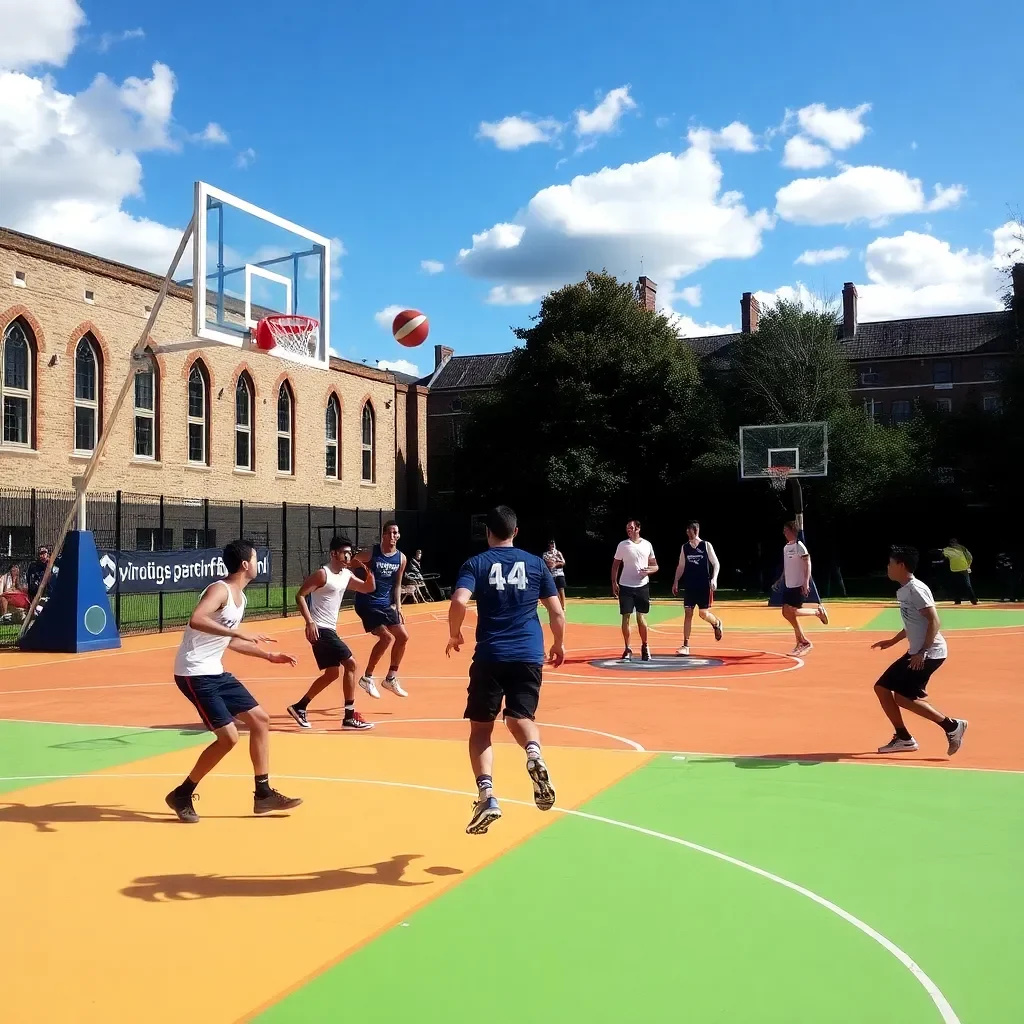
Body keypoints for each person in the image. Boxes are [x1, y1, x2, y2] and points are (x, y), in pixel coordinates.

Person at [446, 505, 565, 835]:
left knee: (481, 731)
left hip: (491, 656)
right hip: (528, 653)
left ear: (487, 532)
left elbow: (458, 601)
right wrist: (558, 643)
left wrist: (455, 633)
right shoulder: (536, 563)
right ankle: (534, 753)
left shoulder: (476, 564)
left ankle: (486, 795)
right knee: (520, 718)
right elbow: (556, 612)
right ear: (516, 531)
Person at [165, 539, 302, 823]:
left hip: (215, 670)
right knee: (227, 738)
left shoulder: (241, 598)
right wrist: (240, 633)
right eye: (254, 558)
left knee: (260, 720)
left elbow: (228, 640)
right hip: (194, 673)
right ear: (244, 564)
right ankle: (182, 793)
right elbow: (197, 619)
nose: (257, 563)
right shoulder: (220, 589)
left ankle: (263, 794)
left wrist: (267, 655)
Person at [870, 546, 967, 756]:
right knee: (884, 689)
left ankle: (950, 727)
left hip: (929, 653)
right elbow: (914, 622)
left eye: (891, 563)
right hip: (919, 651)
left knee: (900, 697)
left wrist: (922, 651)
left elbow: (934, 620)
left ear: (901, 565)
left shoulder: (915, 589)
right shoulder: (904, 590)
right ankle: (906, 737)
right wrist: (893, 641)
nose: (888, 567)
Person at [286, 535, 378, 731]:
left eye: (349, 553)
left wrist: (370, 576)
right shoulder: (323, 574)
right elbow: (300, 595)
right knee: (351, 664)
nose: (348, 556)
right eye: (345, 552)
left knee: (332, 673)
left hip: (328, 629)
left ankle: (299, 707)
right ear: (333, 554)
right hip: (320, 628)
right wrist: (309, 622)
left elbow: (367, 588)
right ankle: (350, 716)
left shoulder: (346, 575)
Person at [354, 521, 410, 699]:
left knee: (403, 636)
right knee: (386, 637)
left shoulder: (401, 558)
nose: (394, 536)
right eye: (391, 533)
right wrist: (360, 577)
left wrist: (399, 607)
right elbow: (349, 562)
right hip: (367, 602)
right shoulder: (372, 553)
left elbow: (398, 584)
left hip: (385, 604)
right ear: (384, 535)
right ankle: (367, 678)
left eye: (396, 533)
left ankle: (390, 678)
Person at [774, 521, 828, 655]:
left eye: (786, 530)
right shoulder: (786, 548)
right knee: (787, 613)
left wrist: (806, 582)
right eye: (784, 530)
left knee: (791, 611)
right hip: (789, 585)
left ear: (793, 531)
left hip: (798, 585)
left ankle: (817, 613)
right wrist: (780, 580)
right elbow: (787, 567)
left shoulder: (800, 546)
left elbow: (807, 563)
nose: (784, 533)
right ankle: (802, 641)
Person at [671, 521, 723, 655]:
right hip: (690, 585)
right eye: (687, 531)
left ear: (696, 530)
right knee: (688, 613)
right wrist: (676, 581)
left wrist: (714, 578)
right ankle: (686, 645)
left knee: (703, 614)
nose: (688, 534)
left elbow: (716, 563)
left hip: (703, 585)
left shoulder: (706, 545)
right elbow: (681, 566)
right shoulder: (685, 548)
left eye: (690, 531)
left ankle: (716, 623)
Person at [611, 520, 658, 662]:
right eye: (627, 528)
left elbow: (655, 566)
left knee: (641, 617)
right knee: (626, 616)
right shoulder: (623, 545)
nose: (629, 530)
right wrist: (614, 582)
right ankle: (627, 648)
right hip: (625, 585)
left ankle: (645, 646)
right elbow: (615, 565)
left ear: (638, 528)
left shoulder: (647, 544)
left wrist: (650, 570)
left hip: (642, 586)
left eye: (631, 527)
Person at [942, 538, 977, 606]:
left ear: (957, 543)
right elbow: (943, 554)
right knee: (955, 585)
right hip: (954, 569)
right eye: (952, 543)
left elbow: (970, 557)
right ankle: (957, 600)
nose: (953, 544)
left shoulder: (963, 549)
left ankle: (973, 600)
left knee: (967, 585)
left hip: (964, 569)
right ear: (950, 544)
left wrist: (968, 565)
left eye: (954, 543)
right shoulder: (947, 549)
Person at [543, 539, 567, 609]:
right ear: (548, 545)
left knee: (561, 589)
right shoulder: (545, 554)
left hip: (559, 573)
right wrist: (549, 565)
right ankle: (557, 605)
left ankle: (563, 606)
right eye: (551, 544)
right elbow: (545, 563)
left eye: (553, 544)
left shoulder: (558, 553)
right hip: (550, 574)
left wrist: (555, 564)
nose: (552, 545)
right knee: (553, 590)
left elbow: (563, 562)